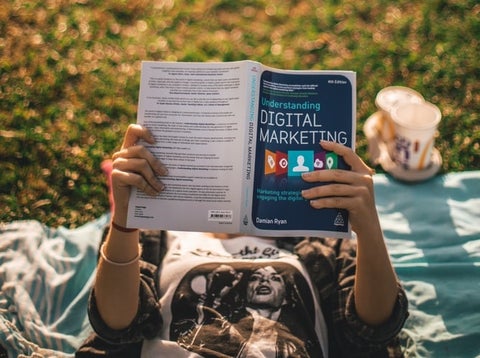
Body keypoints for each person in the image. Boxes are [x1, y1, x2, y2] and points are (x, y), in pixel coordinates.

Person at [76, 124, 409, 357]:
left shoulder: (316, 236)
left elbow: (373, 327)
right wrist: (124, 219)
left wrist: (368, 229)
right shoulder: (156, 232)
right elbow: (115, 325)